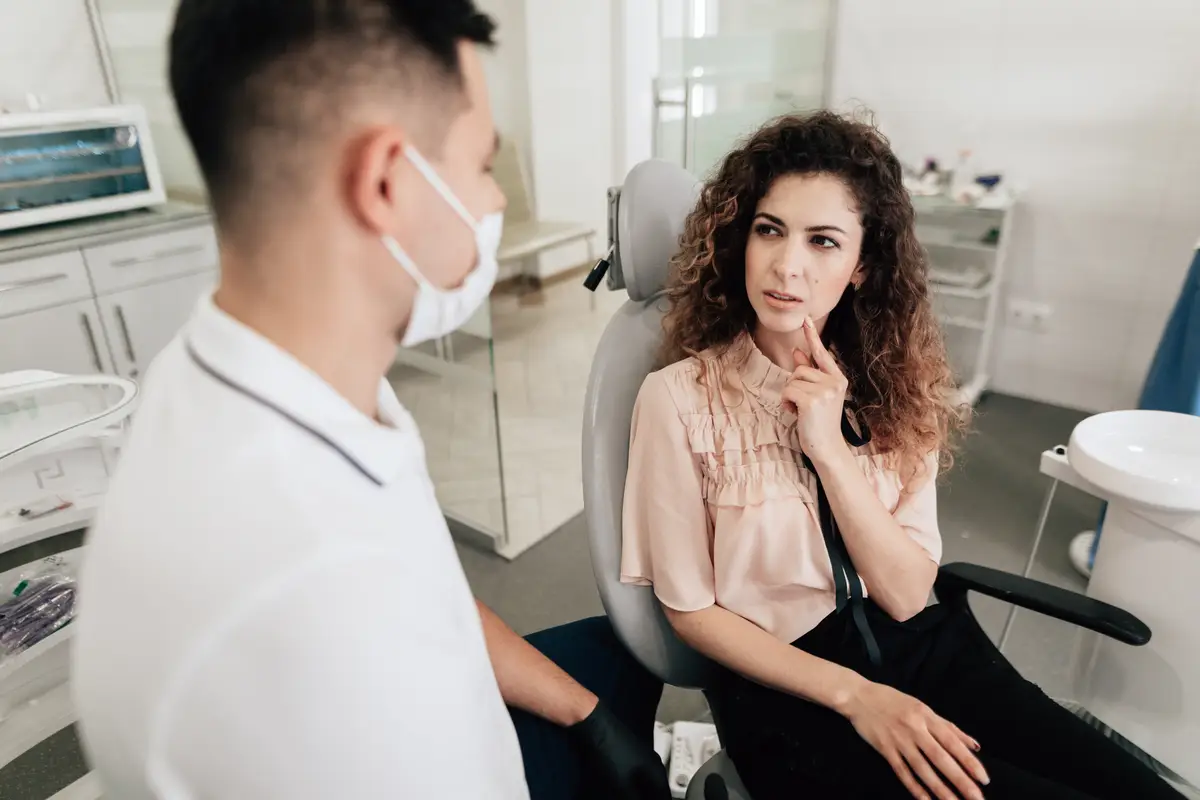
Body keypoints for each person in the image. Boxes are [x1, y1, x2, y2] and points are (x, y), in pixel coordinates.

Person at [72, 2, 668, 799]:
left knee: (612, 661)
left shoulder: (252, 371)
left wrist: (585, 713)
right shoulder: (321, 619)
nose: (493, 203)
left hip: (460, 711)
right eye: (481, 165)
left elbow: (437, 597)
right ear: (386, 182)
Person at [620, 111, 1185, 800]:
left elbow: (908, 592)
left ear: (862, 267)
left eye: (823, 241)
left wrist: (828, 448)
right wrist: (856, 696)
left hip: (930, 646)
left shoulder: (898, 384)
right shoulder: (677, 399)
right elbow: (691, 612)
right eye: (769, 229)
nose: (786, 264)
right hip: (790, 693)